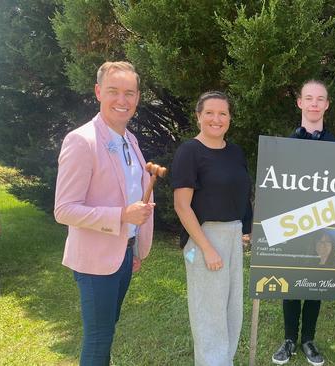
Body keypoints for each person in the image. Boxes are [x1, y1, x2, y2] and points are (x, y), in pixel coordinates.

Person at [54, 61, 155, 366]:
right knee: (98, 341)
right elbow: (64, 210)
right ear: (98, 92)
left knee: (106, 332)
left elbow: (130, 193)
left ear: (137, 98)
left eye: (129, 93)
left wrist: (132, 247)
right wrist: (122, 216)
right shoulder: (81, 141)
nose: (122, 101)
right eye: (113, 91)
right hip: (95, 260)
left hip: (123, 255)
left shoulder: (129, 139)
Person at [171, 91, 252, 366]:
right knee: (209, 314)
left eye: (223, 113)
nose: (216, 119)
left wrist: (245, 229)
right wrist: (207, 248)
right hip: (204, 239)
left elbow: (241, 193)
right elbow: (182, 206)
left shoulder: (235, 152)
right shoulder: (189, 152)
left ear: (230, 118)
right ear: (198, 116)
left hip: (232, 237)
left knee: (231, 310)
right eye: (209, 113)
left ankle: (223, 361)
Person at [272, 80, 335, 366]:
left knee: (315, 283)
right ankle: (289, 339)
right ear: (299, 103)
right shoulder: (285, 145)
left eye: (319, 99)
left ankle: (308, 339)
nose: (314, 104)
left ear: (326, 105)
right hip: (292, 223)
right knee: (290, 282)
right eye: (308, 98)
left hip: (324, 224)